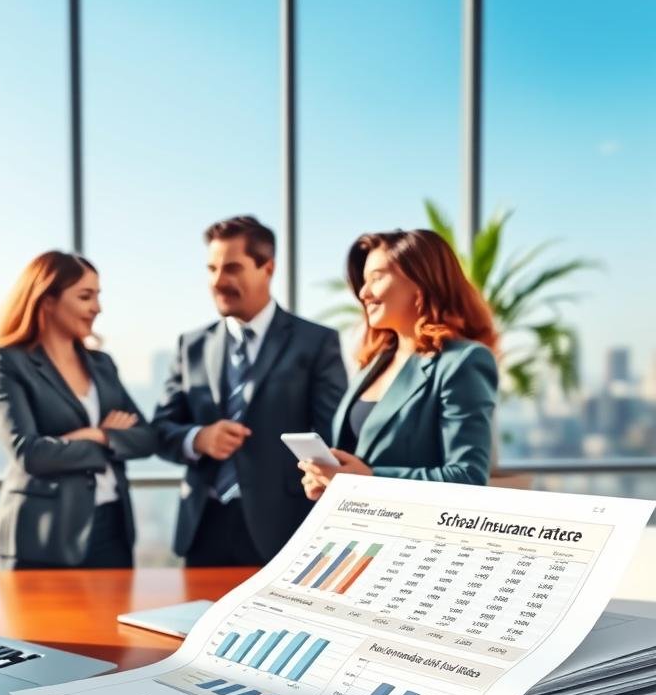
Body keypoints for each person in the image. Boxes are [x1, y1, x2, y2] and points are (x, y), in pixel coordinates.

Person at [152, 215, 347, 566]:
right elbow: (160, 430)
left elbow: (333, 435)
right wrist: (199, 438)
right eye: (211, 269)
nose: (217, 281)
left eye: (232, 268)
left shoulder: (316, 343)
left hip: (286, 530)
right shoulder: (191, 345)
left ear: (267, 268)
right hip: (203, 528)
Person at [0, 251, 156, 569]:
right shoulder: (7, 362)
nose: (97, 308)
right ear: (47, 299)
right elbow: (30, 454)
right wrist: (107, 438)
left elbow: (146, 437)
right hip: (42, 534)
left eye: (98, 296)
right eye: (85, 296)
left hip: (112, 528)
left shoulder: (102, 365)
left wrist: (94, 435)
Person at [298, 229, 498, 502]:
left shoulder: (463, 362)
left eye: (377, 278)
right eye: (363, 281)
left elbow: (468, 477)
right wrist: (329, 481)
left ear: (421, 280)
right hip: (355, 529)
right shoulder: (376, 362)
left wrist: (369, 480)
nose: (363, 292)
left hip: (413, 535)